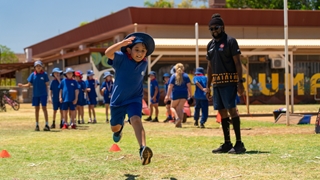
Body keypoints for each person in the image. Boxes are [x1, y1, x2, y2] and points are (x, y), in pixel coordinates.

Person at [105, 32, 154, 165]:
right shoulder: (121, 58)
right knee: (115, 128)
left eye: (143, 51)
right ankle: (119, 130)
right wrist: (121, 43)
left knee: (136, 120)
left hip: (134, 99)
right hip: (118, 101)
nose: (140, 53)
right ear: (129, 50)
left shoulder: (144, 63)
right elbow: (107, 53)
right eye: (136, 50)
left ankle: (143, 149)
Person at [206, 13, 246, 154]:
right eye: (211, 29)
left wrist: (240, 82)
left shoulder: (230, 41)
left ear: (222, 27)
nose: (213, 31)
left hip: (229, 82)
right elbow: (209, 67)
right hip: (217, 84)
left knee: (232, 110)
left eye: (216, 28)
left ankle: (239, 144)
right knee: (222, 112)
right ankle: (227, 143)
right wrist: (208, 86)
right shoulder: (210, 45)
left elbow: (238, 63)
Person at [18, 60, 50, 131]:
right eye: (37, 66)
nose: (38, 67)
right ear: (35, 67)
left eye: (39, 66)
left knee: (44, 108)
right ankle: (37, 125)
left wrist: (49, 95)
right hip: (35, 95)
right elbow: (28, 85)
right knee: (36, 109)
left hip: (43, 94)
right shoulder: (33, 75)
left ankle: (47, 124)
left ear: (42, 67)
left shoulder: (44, 74)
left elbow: (47, 84)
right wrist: (22, 85)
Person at [164, 63, 192, 128]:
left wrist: (167, 95)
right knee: (180, 108)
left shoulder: (173, 76)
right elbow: (189, 86)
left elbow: (170, 86)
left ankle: (177, 118)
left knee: (172, 107)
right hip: (184, 94)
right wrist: (190, 94)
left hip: (176, 94)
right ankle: (180, 123)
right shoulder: (186, 76)